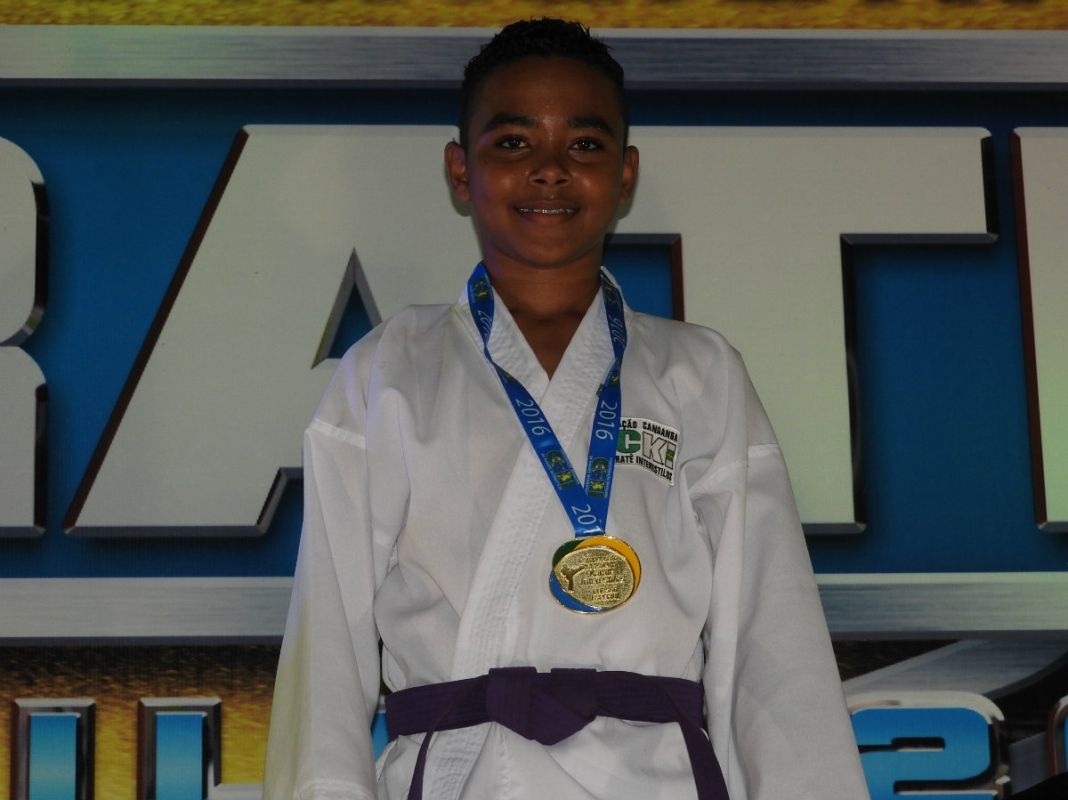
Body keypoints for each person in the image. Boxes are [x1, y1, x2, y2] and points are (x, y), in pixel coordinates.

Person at [264, 17, 870, 800]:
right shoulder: (388, 369)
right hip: (465, 778)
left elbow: (771, 640)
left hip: (654, 782)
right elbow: (328, 647)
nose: (550, 169)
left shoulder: (698, 372)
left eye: (584, 144)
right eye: (514, 142)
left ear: (625, 174)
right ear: (460, 170)